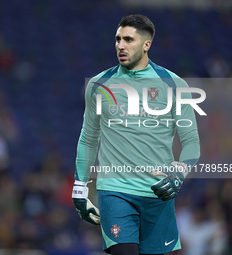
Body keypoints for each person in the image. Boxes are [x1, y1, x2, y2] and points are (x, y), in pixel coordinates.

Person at [72, 14, 200, 255]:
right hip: (115, 191)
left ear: (146, 44)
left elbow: (191, 142)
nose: (121, 45)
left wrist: (179, 173)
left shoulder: (174, 84)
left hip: (158, 194)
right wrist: (80, 187)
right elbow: (88, 139)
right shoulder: (99, 85)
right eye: (118, 39)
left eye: (129, 39)